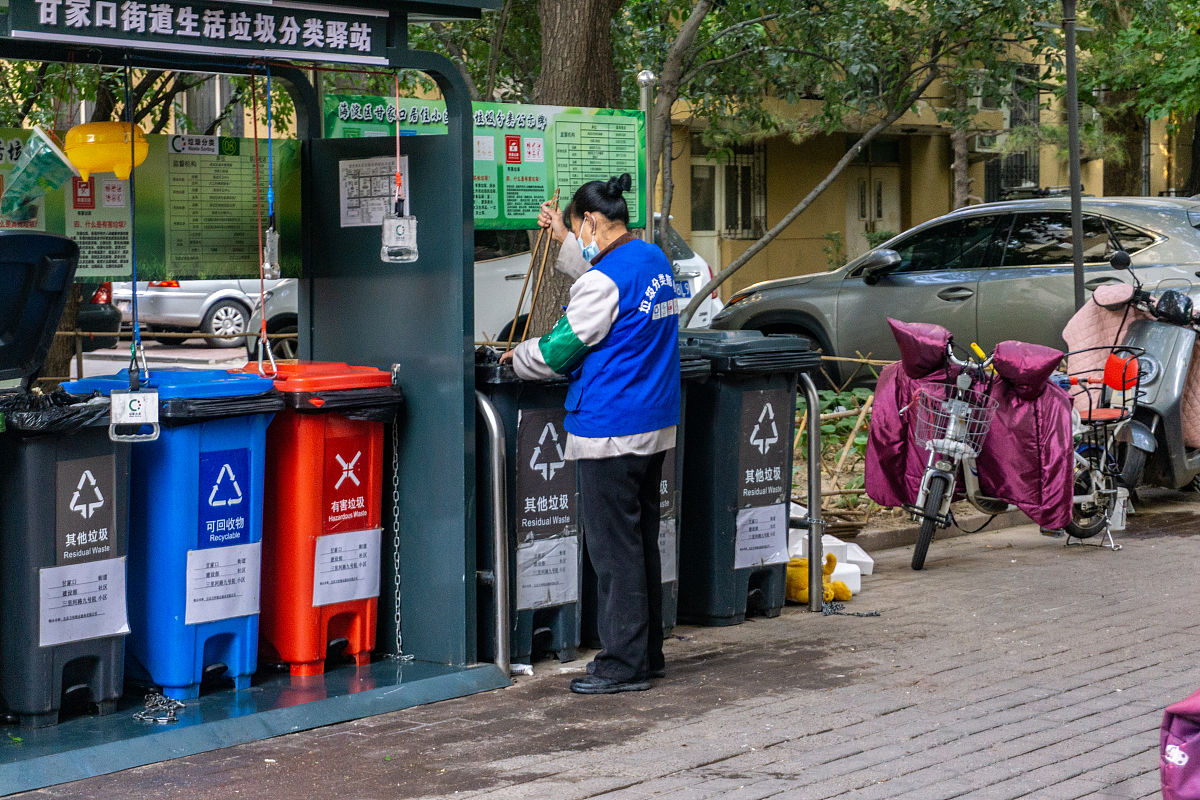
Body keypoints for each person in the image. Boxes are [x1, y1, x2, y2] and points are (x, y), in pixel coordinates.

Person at [500, 173, 680, 694]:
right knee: (640, 541)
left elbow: (562, 348)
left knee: (613, 550)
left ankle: (622, 664)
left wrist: (520, 358)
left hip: (610, 428)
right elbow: (609, 282)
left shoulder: (603, 281)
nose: (576, 236)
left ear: (592, 222)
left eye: (578, 227)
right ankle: (647, 653)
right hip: (653, 424)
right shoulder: (652, 260)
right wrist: (561, 236)